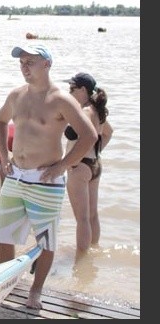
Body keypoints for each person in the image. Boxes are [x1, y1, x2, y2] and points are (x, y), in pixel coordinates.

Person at [0, 44, 97, 310]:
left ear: (47, 64)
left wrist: (63, 165)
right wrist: (4, 157)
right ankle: (6, 285)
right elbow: (0, 121)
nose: (24, 66)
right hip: (16, 176)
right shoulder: (16, 95)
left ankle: (36, 290)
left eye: (30, 61)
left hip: (45, 181)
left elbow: (89, 136)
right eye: (21, 62)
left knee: (46, 239)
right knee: (4, 236)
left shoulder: (62, 99)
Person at [63, 72, 114, 255]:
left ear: (83, 90)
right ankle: (93, 251)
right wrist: (96, 152)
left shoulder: (84, 112)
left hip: (80, 168)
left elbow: (84, 137)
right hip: (95, 165)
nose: (69, 93)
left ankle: (81, 259)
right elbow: (108, 133)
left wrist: (73, 162)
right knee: (92, 215)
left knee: (82, 219)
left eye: (72, 89)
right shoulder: (97, 111)